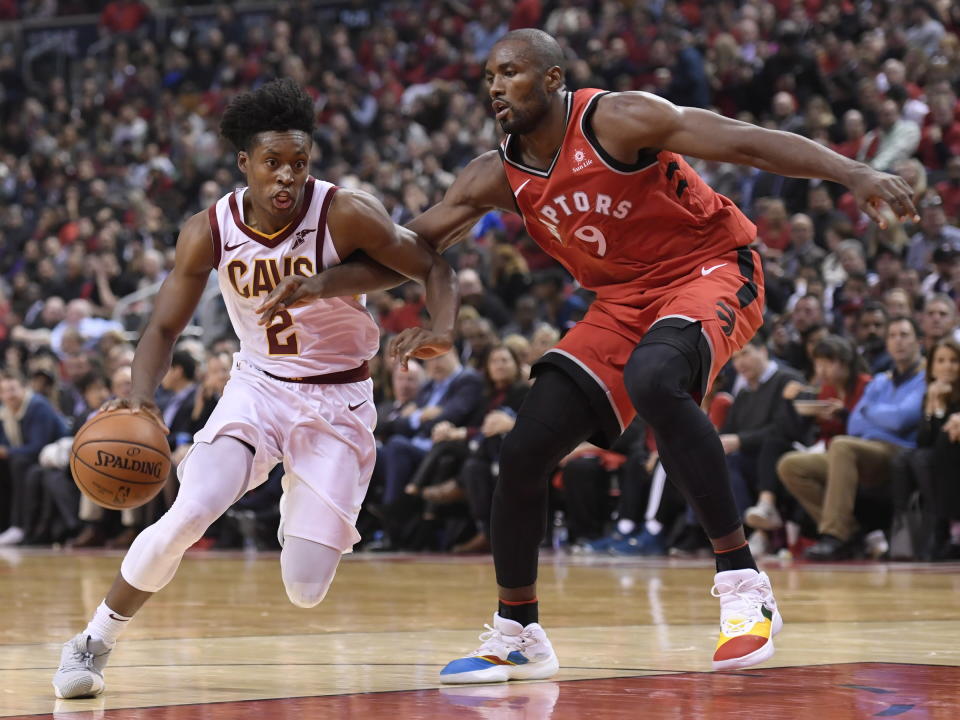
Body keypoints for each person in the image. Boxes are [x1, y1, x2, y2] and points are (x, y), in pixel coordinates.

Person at [258, 30, 917, 679]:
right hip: (621, 303)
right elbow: (412, 247)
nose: (495, 87)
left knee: (656, 378)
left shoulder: (618, 118)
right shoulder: (496, 174)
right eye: (488, 77)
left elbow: (745, 141)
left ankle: (743, 581)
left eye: (510, 72)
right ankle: (519, 631)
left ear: (552, 78)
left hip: (710, 266)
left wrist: (853, 171)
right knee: (521, 451)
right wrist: (319, 282)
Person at [52, 79, 458, 699]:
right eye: (273, 162)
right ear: (245, 163)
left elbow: (430, 261)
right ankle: (92, 642)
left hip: (340, 401)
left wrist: (439, 326)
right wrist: (141, 395)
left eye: (299, 161)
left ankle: (304, 491)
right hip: (258, 388)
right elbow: (163, 324)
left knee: (305, 587)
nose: (287, 176)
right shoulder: (208, 229)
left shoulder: (344, 211)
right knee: (189, 512)